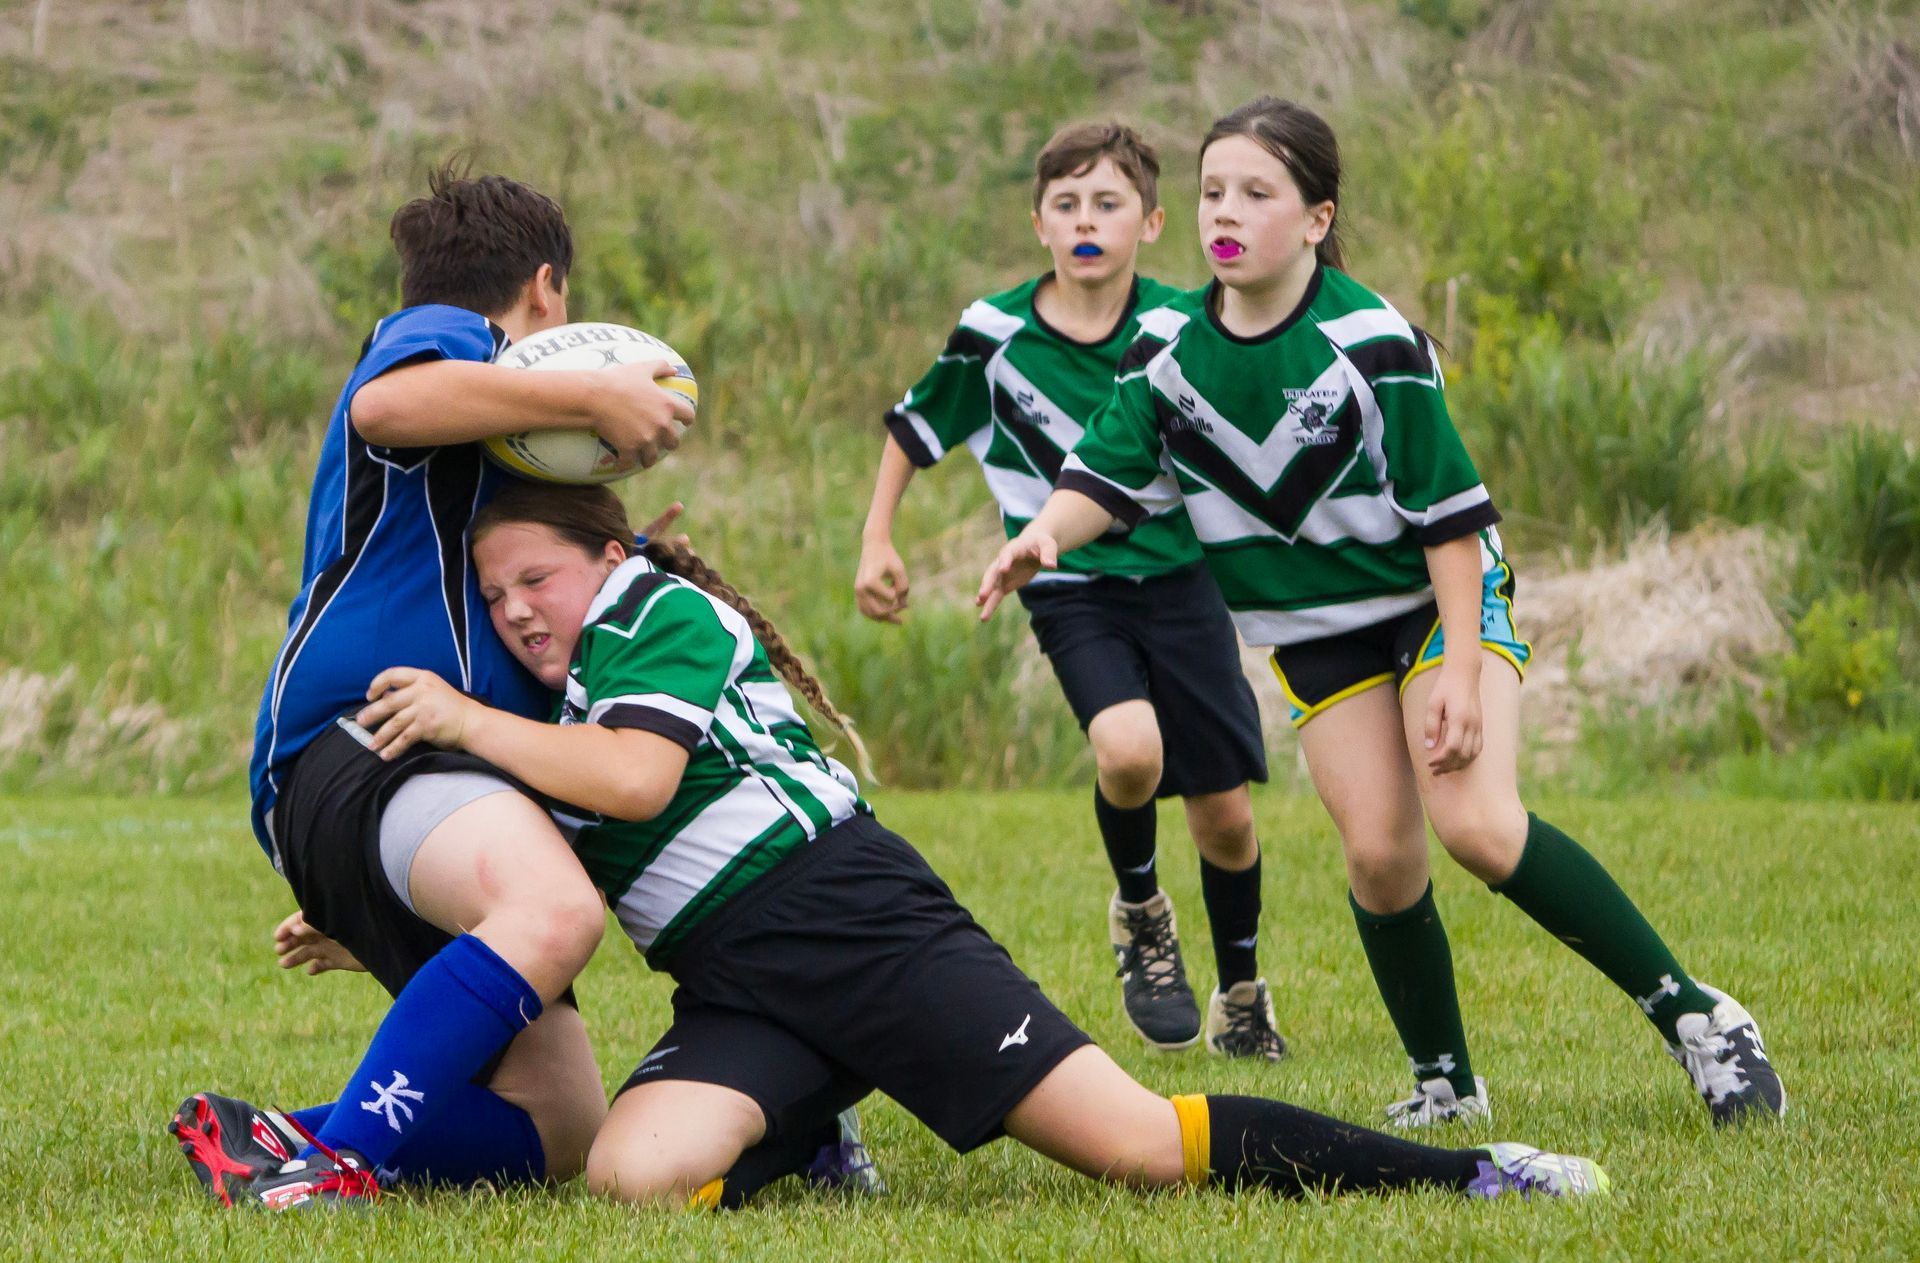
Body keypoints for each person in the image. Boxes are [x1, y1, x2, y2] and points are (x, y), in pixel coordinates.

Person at [339, 480, 1609, 1210]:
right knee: (632, 1182)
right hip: (736, 978)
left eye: (535, 580)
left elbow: (635, 779)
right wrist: (397, 906)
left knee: (1138, 1152)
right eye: (494, 595)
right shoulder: (547, 710)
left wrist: (463, 720)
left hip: (854, 919)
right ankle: (821, 1130)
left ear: (605, 557)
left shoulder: (651, 609)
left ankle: (1474, 1175)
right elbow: (552, 858)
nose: (516, 611)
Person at [976, 97, 1786, 1129]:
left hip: (1433, 598)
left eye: (1257, 193)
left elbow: (1451, 522)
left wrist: (1455, 672)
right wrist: (1046, 531)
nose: (1227, 211)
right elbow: (1107, 468)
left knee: (1478, 828)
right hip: (1318, 631)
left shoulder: (1370, 338)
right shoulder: (1165, 347)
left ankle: (1702, 1020)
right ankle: (1445, 1085)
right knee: (1379, 856)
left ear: (1316, 220)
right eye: (1214, 190)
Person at [168, 159, 695, 1208]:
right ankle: (333, 1173)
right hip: (368, 738)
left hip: (429, 782)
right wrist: (592, 387)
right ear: (545, 291)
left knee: (562, 1129)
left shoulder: (496, 428)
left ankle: (268, 1138)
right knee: (551, 913)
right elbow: (386, 404)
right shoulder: (450, 335)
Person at [856, 122, 1279, 1059]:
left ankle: (1243, 991)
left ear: (1153, 221)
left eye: (1109, 203)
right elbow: (914, 428)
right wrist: (876, 538)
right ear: (1038, 222)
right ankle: (1141, 913)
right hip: (1067, 582)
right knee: (1128, 750)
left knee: (1226, 816)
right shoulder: (995, 333)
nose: (1086, 221)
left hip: (1183, 577)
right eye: (1066, 204)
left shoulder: (1183, 324)